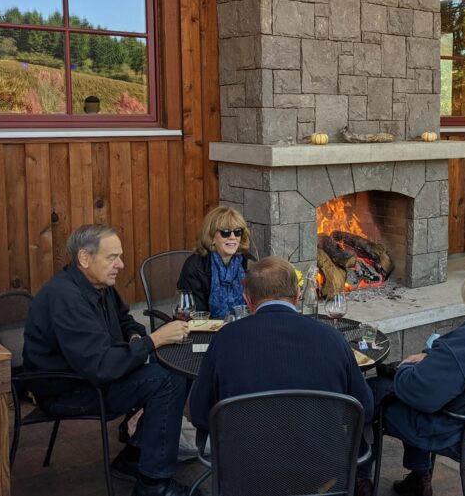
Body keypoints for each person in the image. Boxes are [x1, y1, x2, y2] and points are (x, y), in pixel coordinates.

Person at [23, 224, 192, 496]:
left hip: (92, 375)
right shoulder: (65, 297)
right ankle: (153, 485)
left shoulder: (99, 284)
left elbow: (126, 320)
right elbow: (101, 366)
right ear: (84, 258)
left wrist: (137, 339)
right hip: (69, 390)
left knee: (174, 367)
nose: (121, 264)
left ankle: (135, 455)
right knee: (168, 379)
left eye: (120, 256)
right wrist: (155, 340)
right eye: (112, 257)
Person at [355, 250, 465, 496]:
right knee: (418, 389)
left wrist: (407, 367)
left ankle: (359, 481)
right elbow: (461, 366)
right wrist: (431, 360)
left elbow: (420, 395)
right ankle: (419, 480)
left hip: (459, 433)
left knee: (371, 392)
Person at [189, 255, 373, 434]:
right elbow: (364, 409)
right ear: (298, 294)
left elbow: (200, 414)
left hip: (244, 462)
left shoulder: (225, 338)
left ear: (247, 299)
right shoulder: (332, 338)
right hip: (324, 462)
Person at [177, 206, 252, 319]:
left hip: (243, 327)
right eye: (225, 232)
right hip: (207, 330)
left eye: (237, 232)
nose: (233, 237)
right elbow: (195, 314)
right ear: (211, 237)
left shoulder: (248, 262)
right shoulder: (194, 266)